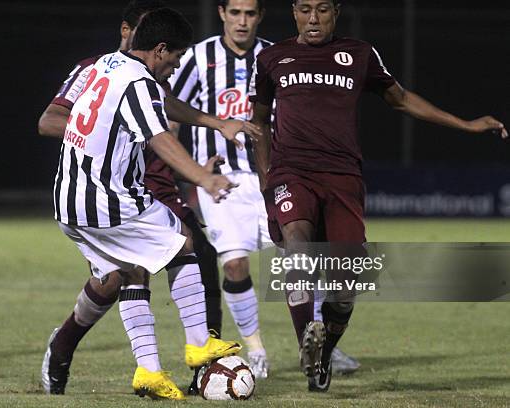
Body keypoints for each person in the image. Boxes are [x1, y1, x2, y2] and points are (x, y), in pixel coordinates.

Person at [249, 0, 507, 392]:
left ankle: (324, 355)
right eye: (304, 9)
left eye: (322, 9)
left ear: (337, 11)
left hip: (344, 177)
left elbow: (400, 99)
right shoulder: (272, 58)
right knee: (297, 242)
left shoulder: (359, 55)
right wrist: (268, 180)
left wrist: (466, 124)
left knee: (345, 285)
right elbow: (260, 124)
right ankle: (306, 337)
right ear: (293, 12)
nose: (313, 19)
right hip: (293, 171)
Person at [39, 0, 258, 396]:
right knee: (185, 244)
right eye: (173, 61)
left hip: (68, 201)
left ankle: (149, 373)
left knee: (132, 273)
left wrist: (213, 122)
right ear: (158, 49)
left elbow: (159, 103)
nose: (173, 69)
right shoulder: (138, 81)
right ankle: (198, 344)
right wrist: (203, 179)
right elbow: (159, 136)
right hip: (109, 200)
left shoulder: (105, 65)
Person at [168, 0, 275, 379]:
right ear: (222, 13)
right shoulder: (199, 57)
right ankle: (256, 348)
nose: (242, 21)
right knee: (233, 263)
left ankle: (324, 347)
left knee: (304, 262)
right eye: (236, 13)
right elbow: (172, 112)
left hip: (270, 177)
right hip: (222, 180)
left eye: (250, 14)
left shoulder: (275, 57)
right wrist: (187, 172)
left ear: (260, 16)